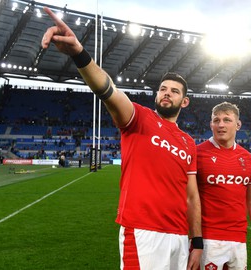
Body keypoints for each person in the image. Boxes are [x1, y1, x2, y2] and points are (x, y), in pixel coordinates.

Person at [41, 7, 202, 270]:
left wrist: (197, 242)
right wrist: (79, 55)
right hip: (143, 232)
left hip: (180, 237)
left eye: (174, 91)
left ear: (184, 101)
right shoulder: (140, 117)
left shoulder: (188, 143)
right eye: (163, 88)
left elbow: (192, 197)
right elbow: (108, 90)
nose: (166, 93)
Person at [196, 102, 251, 270]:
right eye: (216, 120)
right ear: (211, 124)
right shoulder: (197, 154)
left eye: (227, 120)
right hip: (208, 238)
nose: (221, 124)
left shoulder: (247, 157)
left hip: (238, 238)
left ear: (238, 125)